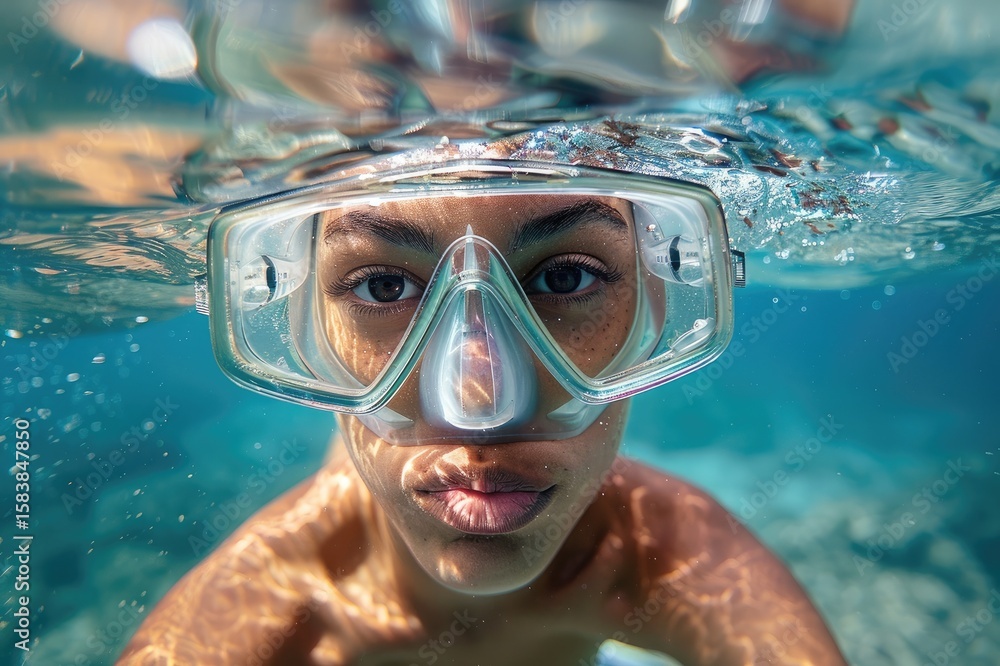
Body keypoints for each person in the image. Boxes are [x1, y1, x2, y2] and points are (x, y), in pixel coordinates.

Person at [116, 120, 848, 665]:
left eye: (565, 277)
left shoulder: (668, 557)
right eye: (384, 287)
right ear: (305, 328)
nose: (478, 404)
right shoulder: (266, 603)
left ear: (656, 304)